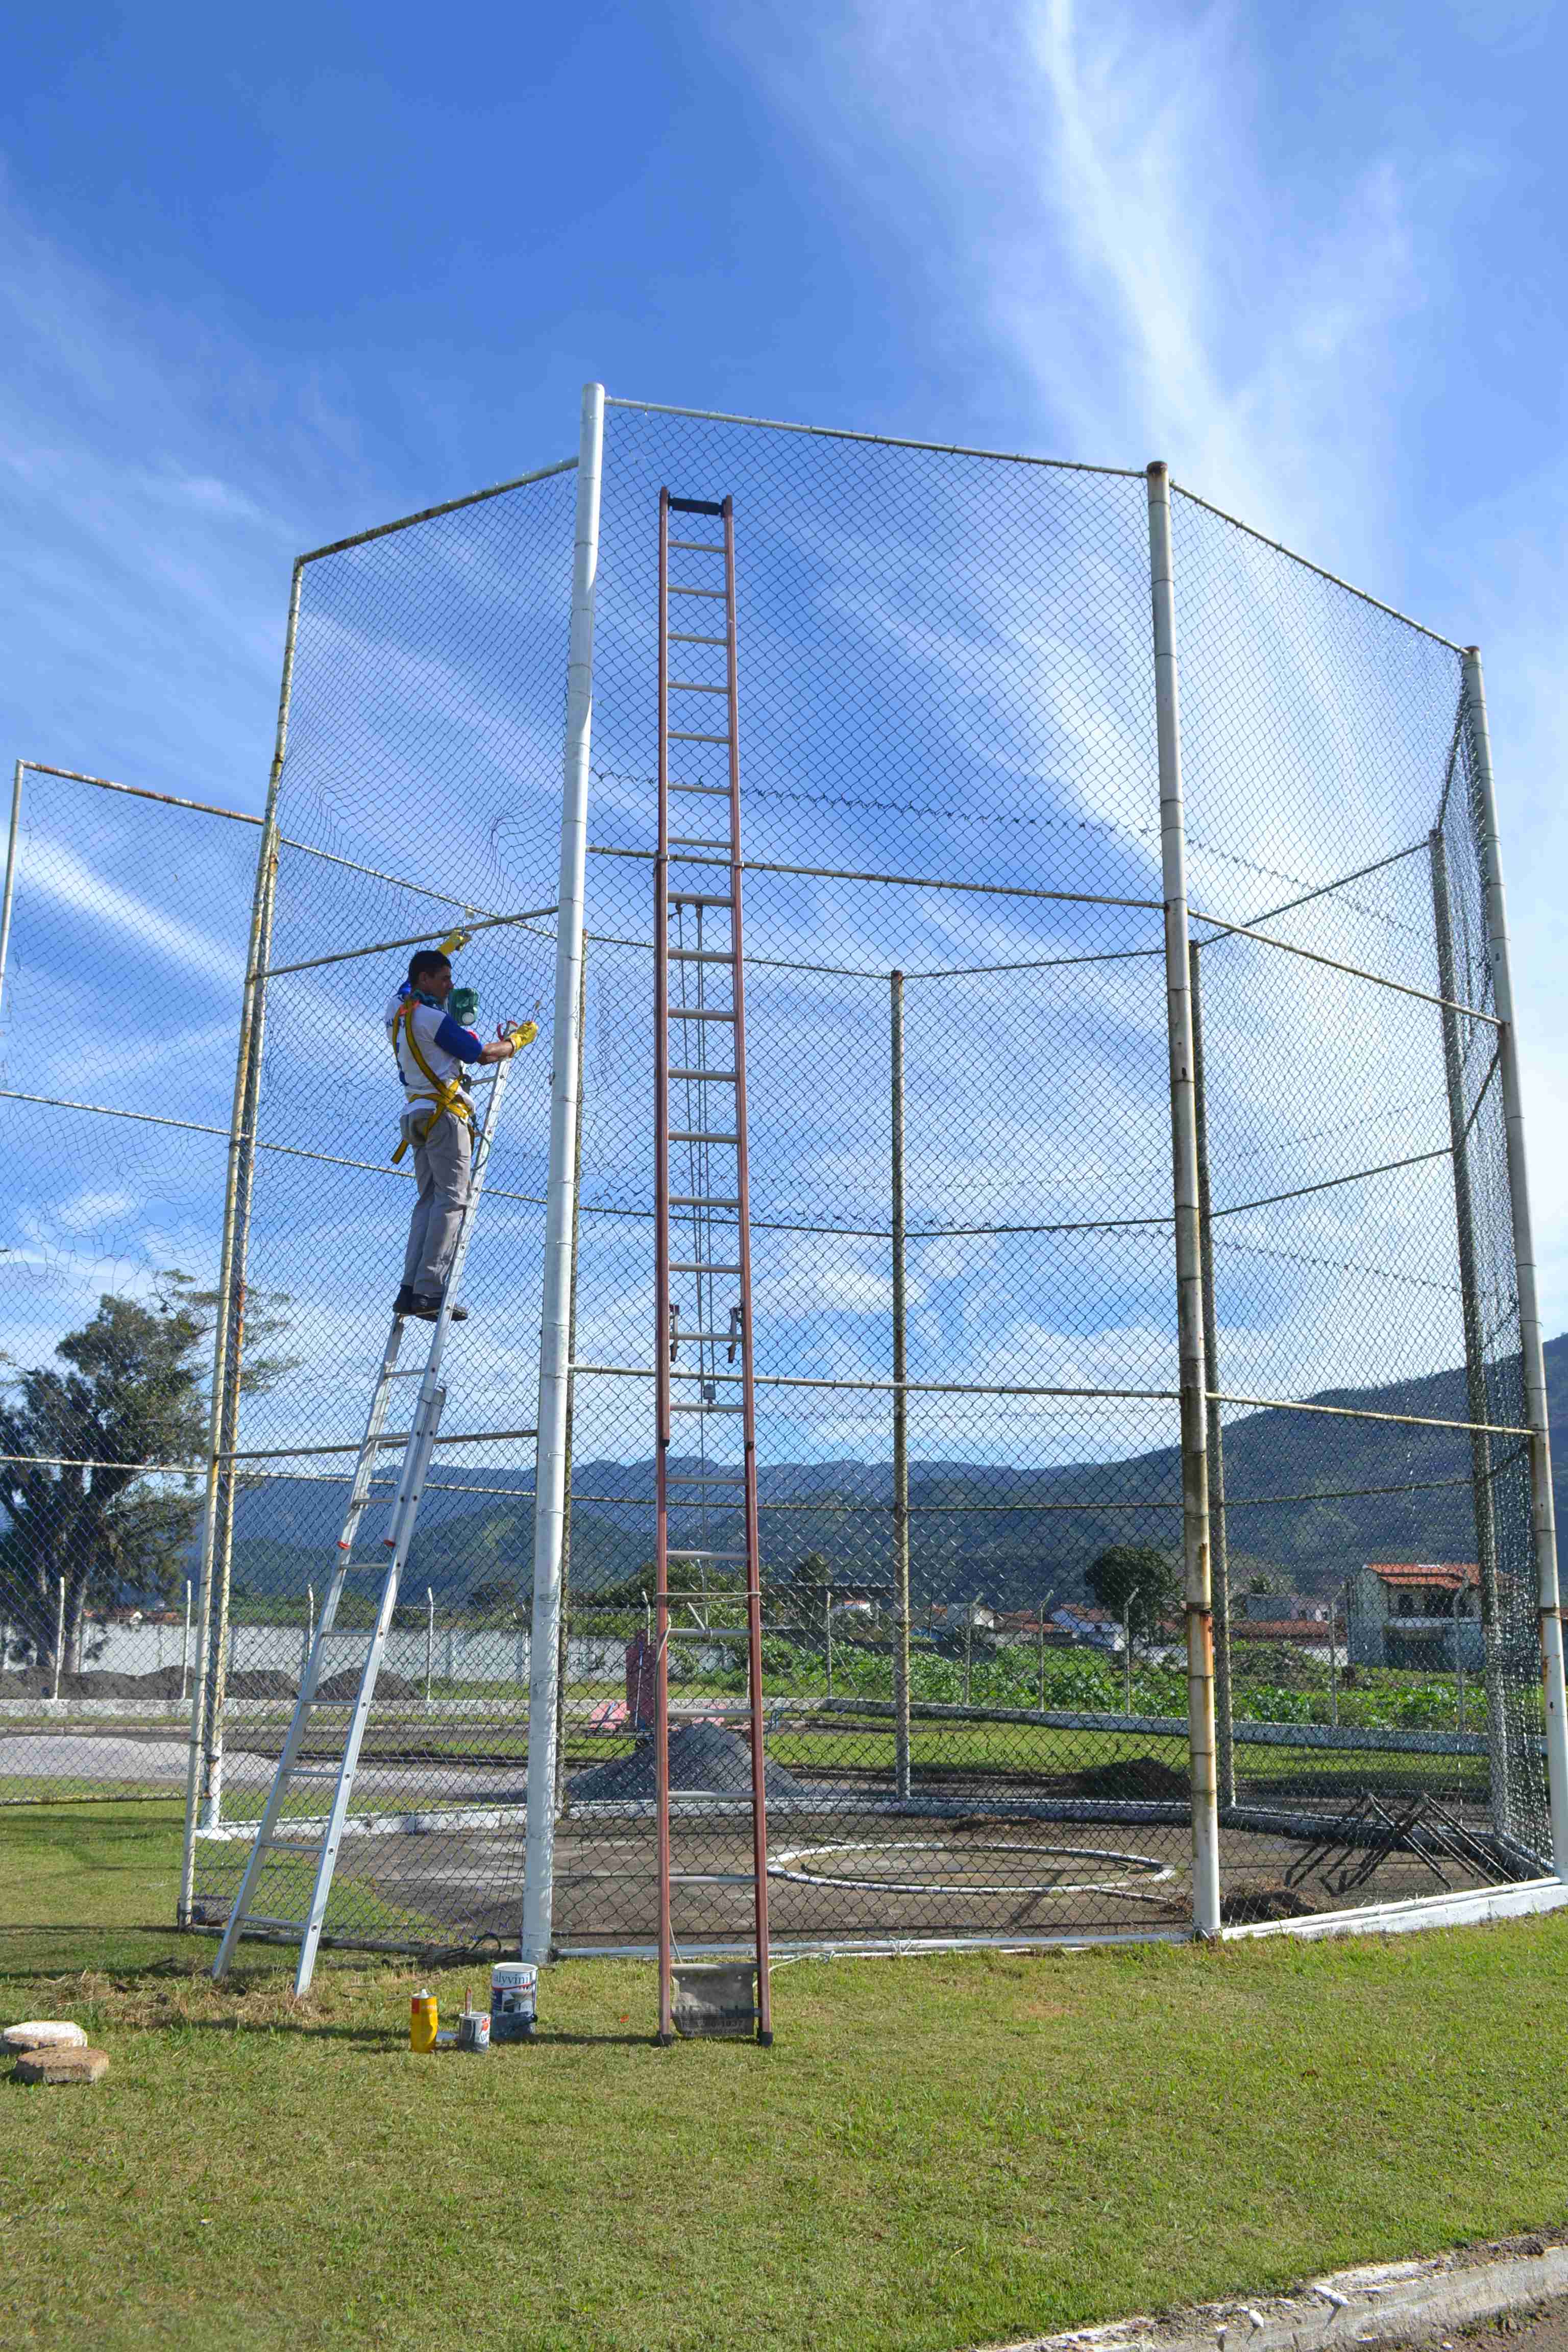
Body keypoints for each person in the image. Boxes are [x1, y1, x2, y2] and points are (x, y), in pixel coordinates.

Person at [385, 945, 533, 1322]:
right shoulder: (432, 1019)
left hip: (416, 1113)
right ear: (425, 979)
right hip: (446, 1117)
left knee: (430, 1201)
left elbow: (404, 984)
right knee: (453, 1201)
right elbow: (480, 1054)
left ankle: (409, 1289)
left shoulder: (397, 1012)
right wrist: (516, 1042)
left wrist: (446, 949)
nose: (451, 987)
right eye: (444, 978)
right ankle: (430, 1290)